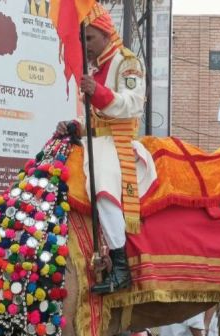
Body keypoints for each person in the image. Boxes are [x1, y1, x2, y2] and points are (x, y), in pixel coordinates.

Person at [55, 4, 157, 294]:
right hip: (94, 142)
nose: (85, 45)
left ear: (106, 34)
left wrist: (97, 92)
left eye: (89, 38)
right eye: (82, 39)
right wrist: (74, 126)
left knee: (102, 189)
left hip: (117, 141)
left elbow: (133, 104)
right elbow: (93, 118)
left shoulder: (127, 62)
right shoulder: (95, 67)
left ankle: (121, 266)